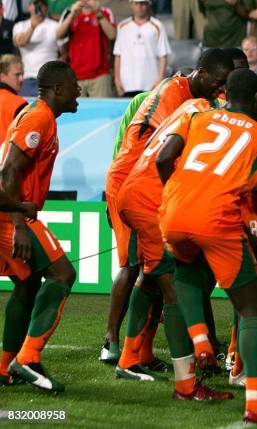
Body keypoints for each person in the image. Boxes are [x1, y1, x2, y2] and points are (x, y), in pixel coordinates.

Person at [156, 68, 257, 423]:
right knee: (248, 309)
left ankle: (200, 340)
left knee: (184, 269)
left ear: (226, 93)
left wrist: (176, 192)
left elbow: (162, 158)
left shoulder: (197, 115)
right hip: (218, 218)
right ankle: (256, 405)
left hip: (174, 210)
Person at [105, 49, 234, 380]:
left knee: (152, 275)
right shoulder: (175, 97)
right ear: (201, 72)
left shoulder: (193, 101)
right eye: (218, 83)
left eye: (226, 86)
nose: (221, 91)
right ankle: (118, 345)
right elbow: (164, 153)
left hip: (144, 182)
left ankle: (139, 354)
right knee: (145, 270)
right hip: (136, 181)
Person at [0, 60, 80, 391]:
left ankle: (5, 368)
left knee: (28, 283)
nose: (79, 90)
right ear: (58, 89)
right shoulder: (39, 116)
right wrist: (19, 222)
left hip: (11, 211)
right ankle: (29, 358)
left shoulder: (39, 114)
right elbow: (7, 174)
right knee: (62, 274)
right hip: (10, 215)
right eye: (74, 85)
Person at [99, 91, 151, 364]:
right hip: (131, 188)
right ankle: (111, 339)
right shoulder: (143, 100)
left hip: (151, 189)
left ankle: (141, 346)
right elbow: (121, 147)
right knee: (132, 265)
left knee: (152, 267)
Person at [55, 0, 116, 98]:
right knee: (77, 112)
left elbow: (112, 35)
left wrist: (98, 13)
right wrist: (71, 15)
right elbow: (58, 35)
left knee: (102, 112)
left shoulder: (104, 11)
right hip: (76, 76)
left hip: (100, 75)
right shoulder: (69, 12)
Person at [113, 0, 171, 97]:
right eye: (136, 3)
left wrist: (160, 80)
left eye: (143, 3)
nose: (140, 6)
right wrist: (117, 79)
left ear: (148, 4)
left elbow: (163, 56)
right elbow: (118, 55)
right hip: (127, 84)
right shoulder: (122, 26)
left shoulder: (157, 25)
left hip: (150, 84)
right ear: (131, 5)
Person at [12, 0, 63, 96]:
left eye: (42, 5)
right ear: (29, 7)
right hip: (28, 78)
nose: (38, 7)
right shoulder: (20, 26)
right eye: (35, 4)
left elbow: (64, 53)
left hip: (49, 80)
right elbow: (20, 42)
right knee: (26, 110)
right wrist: (32, 26)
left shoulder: (55, 26)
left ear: (46, 8)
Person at [0, 55, 27, 142]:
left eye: (22, 74)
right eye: (17, 75)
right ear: (2, 76)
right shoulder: (19, 104)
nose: (21, 79)